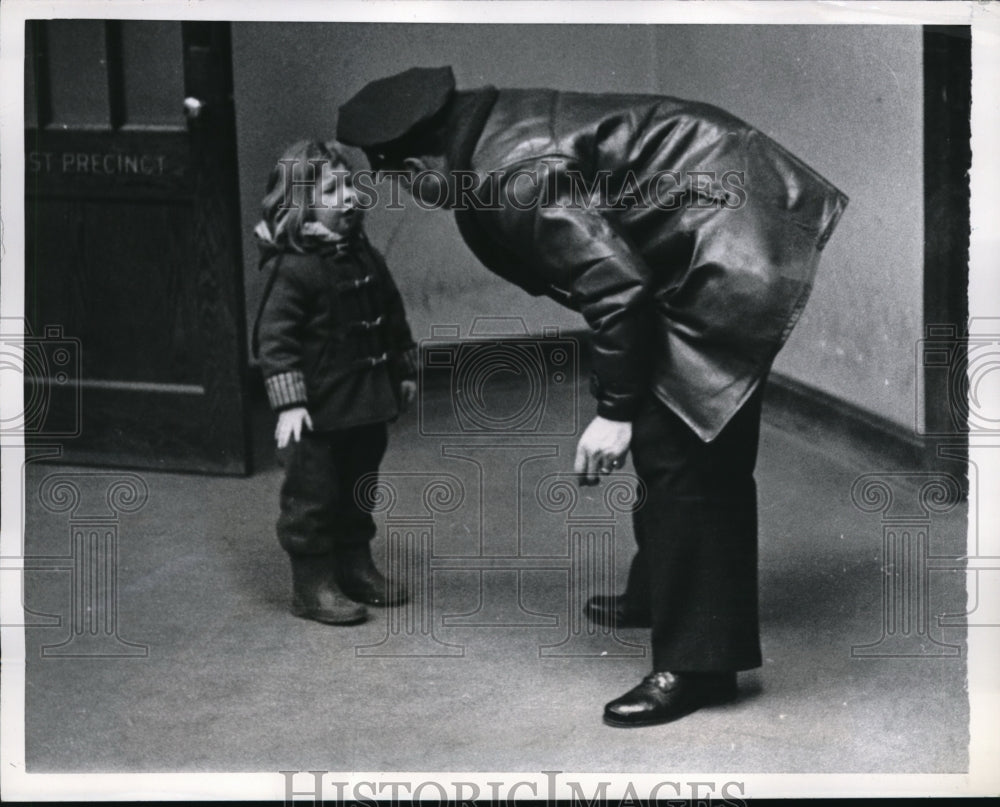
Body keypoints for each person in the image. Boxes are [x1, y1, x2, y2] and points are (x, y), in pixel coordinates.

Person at [336, 67, 848, 725]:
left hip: (730, 236)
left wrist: (614, 411)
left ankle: (700, 665)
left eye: (404, 181)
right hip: (717, 208)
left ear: (417, 165)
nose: (415, 194)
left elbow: (617, 286)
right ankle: (659, 592)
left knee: (685, 450)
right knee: (677, 440)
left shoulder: (510, 175)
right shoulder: (488, 127)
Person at [253, 139, 418, 625]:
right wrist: (290, 404)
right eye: (330, 191)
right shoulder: (292, 268)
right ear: (299, 204)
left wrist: (403, 371)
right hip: (316, 414)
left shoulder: (366, 257)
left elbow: (392, 316)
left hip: (364, 405)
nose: (348, 197)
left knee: (358, 487)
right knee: (312, 496)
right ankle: (312, 585)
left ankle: (354, 566)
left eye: (349, 185)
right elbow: (274, 340)